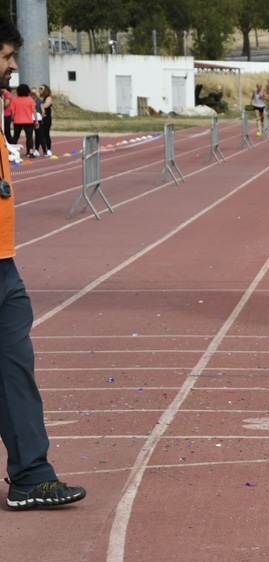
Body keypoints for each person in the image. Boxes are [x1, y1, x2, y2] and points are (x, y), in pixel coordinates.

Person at [0, 16, 87, 508]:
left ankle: (32, 475)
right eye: (7, 56)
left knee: (15, 370)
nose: (14, 66)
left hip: (4, 264)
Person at [10, 83, 35, 159]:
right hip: (28, 120)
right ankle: (30, 152)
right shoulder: (30, 99)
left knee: (16, 136)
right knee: (29, 137)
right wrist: (36, 120)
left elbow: (13, 111)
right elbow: (33, 110)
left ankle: (12, 151)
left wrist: (12, 118)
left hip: (18, 120)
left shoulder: (15, 100)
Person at [33, 84, 51, 157]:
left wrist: (39, 103)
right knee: (38, 134)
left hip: (46, 118)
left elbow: (45, 106)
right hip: (38, 118)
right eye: (39, 89)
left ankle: (48, 149)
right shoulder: (38, 99)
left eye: (41, 89)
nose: (40, 90)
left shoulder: (48, 98)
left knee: (45, 133)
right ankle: (36, 149)